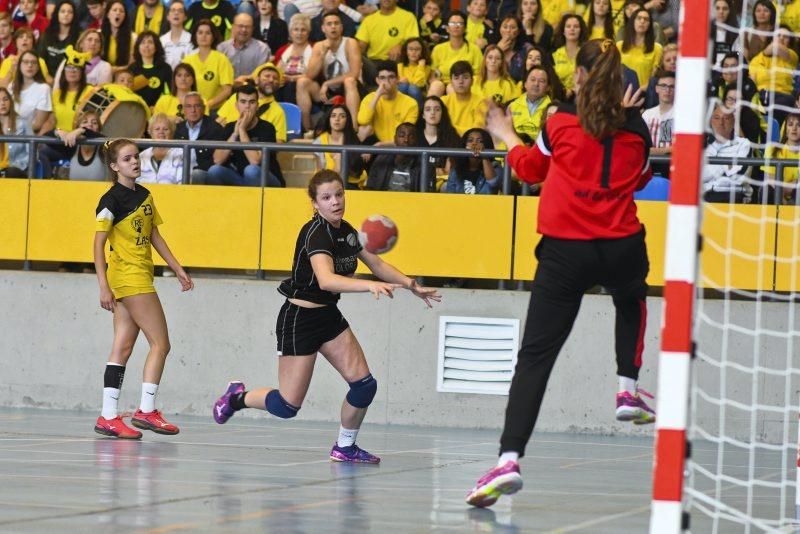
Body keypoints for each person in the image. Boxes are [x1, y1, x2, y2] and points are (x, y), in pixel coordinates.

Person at [465, 39, 655, 508]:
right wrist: (628, 118)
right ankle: (626, 388)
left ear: (581, 76)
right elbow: (641, 178)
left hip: (566, 251)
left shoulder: (559, 121)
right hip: (621, 244)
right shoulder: (638, 132)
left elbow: (531, 170)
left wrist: (506, 133)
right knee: (631, 296)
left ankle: (509, 459)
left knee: (535, 359)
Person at [212, 168, 441, 463]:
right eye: (327, 197)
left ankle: (345, 447)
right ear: (315, 203)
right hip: (300, 319)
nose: (335, 202)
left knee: (364, 385)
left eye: (339, 194)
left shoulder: (347, 232)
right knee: (287, 406)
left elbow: (377, 264)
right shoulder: (315, 233)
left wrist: (412, 285)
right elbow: (326, 280)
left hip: (328, 317)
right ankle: (236, 397)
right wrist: (369, 286)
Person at [93, 137, 194, 440]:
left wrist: (177, 268)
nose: (134, 162)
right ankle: (146, 410)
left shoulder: (146, 195)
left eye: (136, 157)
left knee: (122, 348)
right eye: (126, 159)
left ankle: (108, 416)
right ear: (114, 166)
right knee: (161, 344)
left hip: (137, 276)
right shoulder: (111, 200)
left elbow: (155, 236)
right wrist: (103, 285)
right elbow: (97, 244)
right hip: (129, 277)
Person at [296, 10, 362, 132]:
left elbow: (355, 73)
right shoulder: (318, 46)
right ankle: (307, 129)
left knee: (350, 81)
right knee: (302, 82)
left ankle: (354, 127)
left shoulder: (350, 43)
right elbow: (310, 75)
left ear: (341, 27)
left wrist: (327, 83)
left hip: (350, 89)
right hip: (328, 92)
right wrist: (322, 56)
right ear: (323, 28)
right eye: (329, 24)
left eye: (336, 23)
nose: (333, 27)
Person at [208, 83, 283, 186]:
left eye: (251, 102)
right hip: (240, 178)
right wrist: (235, 134)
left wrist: (242, 130)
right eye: (243, 102)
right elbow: (217, 160)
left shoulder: (267, 128)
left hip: (267, 180)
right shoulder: (229, 127)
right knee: (214, 171)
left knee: (251, 170)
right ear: (236, 105)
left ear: (257, 106)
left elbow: (255, 161)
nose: (247, 106)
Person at [216, 62, 287, 142]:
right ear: (256, 80)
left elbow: (278, 144)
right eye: (267, 76)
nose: (271, 80)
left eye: (275, 78)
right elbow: (219, 123)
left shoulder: (278, 111)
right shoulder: (235, 97)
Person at [357, 60, 418, 143]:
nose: (386, 82)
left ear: (398, 79)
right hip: (375, 144)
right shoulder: (370, 98)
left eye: (391, 77)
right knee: (364, 129)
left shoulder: (410, 103)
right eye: (382, 78)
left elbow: (405, 136)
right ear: (377, 81)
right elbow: (363, 121)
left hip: (398, 147)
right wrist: (377, 95)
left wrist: (382, 145)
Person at [703, 103, 752, 203]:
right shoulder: (703, 145)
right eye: (716, 118)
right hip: (705, 195)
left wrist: (711, 175)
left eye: (726, 118)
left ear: (733, 121)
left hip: (733, 195)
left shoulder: (743, 144)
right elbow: (697, 176)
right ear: (711, 121)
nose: (721, 122)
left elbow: (740, 178)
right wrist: (726, 166)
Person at [174, 91, 225, 184]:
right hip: (179, 170)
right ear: (184, 110)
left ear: (204, 108)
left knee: (196, 174)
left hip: (204, 172)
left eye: (197, 106)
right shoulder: (177, 129)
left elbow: (216, 161)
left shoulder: (215, 128)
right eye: (189, 106)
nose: (193, 110)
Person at [429, 11, 484, 97]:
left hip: (465, 86)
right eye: (452, 23)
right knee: (436, 86)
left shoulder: (474, 49)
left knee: (452, 88)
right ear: (447, 28)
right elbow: (432, 73)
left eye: (460, 23)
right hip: (442, 83)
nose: (456, 26)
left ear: (465, 28)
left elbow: (479, 74)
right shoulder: (438, 49)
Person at [183, 19, 234, 110]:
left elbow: (227, 90)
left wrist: (207, 105)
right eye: (200, 33)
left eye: (208, 33)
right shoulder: (187, 61)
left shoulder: (222, 59)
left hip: (216, 110)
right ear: (195, 36)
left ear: (213, 37)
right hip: (192, 110)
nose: (203, 36)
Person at [313, 104, 365, 188]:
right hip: (326, 184)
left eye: (342, 116)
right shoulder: (319, 141)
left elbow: (356, 172)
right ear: (329, 120)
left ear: (347, 120)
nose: (337, 119)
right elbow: (319, 170)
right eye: (333, 116)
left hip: (351, 185)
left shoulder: (353, 140)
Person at [366, 122, 428, 191]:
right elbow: (370, 188)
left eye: (411, 137)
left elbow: (429, 194)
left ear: (416, 141)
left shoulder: (424, 165)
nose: (406, 140)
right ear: (395, 139)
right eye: (402, 136)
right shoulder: (381, 160)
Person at [416, 94, 459, 189]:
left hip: (443, 183)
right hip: (417, 180)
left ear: (442, 113)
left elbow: (449, 170)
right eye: (428, 109)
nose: (432, 113)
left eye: (437, 109)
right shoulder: (414, 136)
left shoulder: (451, 136)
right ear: (422, 115)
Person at [445, 127, 501, 194]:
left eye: (479, 141)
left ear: (486, 144)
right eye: (470, 140)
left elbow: (493, 183)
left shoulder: (495, 166)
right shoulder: (456, 170)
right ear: (464, 145)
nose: (474, 143)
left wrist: (484, 156)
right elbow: (450, 194)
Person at [616, 8, 662, 88]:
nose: (642, 21)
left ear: (650, 25)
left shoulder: (657, 48)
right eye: (639, 18)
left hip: (644, 93)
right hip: (620, 91)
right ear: (632, 22)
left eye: (646, 19)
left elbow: (654, 77)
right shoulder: (619, 46)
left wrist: (641, 90)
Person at [10, 51, 53, 135]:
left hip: (27, 137)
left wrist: (15, 129)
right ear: (19, 66)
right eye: (26, 62)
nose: (30, 65)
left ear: (38, 67)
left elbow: (38, 124)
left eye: (33, 62)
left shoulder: (44, 88)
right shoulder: (11, 85)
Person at [273, 13, 313, 103]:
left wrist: (291, 79)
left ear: (308, 33)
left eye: (303, 30)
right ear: (290, 32)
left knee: (290, 86)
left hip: (305, 87)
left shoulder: (314, 49)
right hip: (283, 86)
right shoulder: (282, 50)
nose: (299, 33)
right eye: (296, 29)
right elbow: (276, 72)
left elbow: (312, 75)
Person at [762, 112, 800, 204]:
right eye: (790, 124)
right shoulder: (772, 149)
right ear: (785, 129)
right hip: (776, 195)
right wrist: (781, 199)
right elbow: (770, 180)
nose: (794, 129)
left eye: (799, 125)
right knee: (767, 190)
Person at [218, 13, 270, 79]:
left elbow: (262, 74)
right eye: (240, 26)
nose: (244, 30)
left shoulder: (262, 49)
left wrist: (245, 79)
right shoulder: (222, 48)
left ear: (252, 29)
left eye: (248, 27)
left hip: (252, 87)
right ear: (233, 27)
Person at [641, 70, 673, 176]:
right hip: (648, 165)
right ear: (656, 89)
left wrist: (654, 151)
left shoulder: (682, 116)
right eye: (663, 86)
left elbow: (681, 148)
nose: (667, 90)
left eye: (672, 87)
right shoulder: (647, 114)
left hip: (672, 166)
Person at [508, 65, 552, 143]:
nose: (536, 84)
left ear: (548, 87)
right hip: (513, 148)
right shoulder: (512, 106)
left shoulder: (552, 109)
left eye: (541, 81)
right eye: (532, 79)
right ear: (525, 84)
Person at [441, 60, 486, 136]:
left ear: (472, 81)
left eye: (465, 77)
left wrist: (451, 129)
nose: (461, 81)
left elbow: (477, 131)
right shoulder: (443, 101)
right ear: (451, 82)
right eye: (456, 78)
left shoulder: (481, 102)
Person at [130, 31, 173, 108]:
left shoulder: (165, 68)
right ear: (138, 47)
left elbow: (169, 93)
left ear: (156, 47)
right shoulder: (132, 68)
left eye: (150, 42)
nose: (146, 45)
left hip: (159, 112)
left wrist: (158, 107)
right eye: (143, 43)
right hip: (135, 111)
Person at [137, 113, 184, 184]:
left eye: (165, 129)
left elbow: (182, 185)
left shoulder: (181, 154)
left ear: (172, 132)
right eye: (157, 129)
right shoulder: (142, 156)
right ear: (150, 132)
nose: (161, 132)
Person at [36, 0, 79, 76]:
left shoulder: (78, 37)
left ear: (74, 15)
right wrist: (47, 78)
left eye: (70, 12)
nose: (66, 14)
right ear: (57, 14)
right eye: (62, 11)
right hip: (45, 79)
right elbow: (40, 59)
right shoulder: (46, 35)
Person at [551, 14, 587, 96]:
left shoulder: (586, 54)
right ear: (563, 31)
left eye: (576, 26)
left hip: (581, 96)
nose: (572, 29)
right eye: (568, 26)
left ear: (581, 30)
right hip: (560, 96)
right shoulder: (554, 55)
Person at [0, 85, 31, 177]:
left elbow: (32, 153)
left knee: (10, 172)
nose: (2, 103)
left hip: (17, 170)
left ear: (10, 102)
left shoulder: (23, 123)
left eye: (5, 99)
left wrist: (16, 166)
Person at [493, 15, 533, 82]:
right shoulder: (492, 48)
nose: (508, 30)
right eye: (505, 27)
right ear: (500, 29)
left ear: (518, 31)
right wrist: (498, 50)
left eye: (513, 27)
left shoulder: (527, 48)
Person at [68, 110, 106, 181]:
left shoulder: (102, 146)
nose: (90, 125)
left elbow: (105, 138)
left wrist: (83, 130)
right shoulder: (72, 145)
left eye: (94, 123)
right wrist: (57, 131)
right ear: (77, 129)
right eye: (85, 122)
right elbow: (47, 135)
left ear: (99, 129)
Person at [160, 0, 195, 70]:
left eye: (180, 11)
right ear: (168, 17)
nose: (176, 13)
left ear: (185, 17)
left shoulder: (192, 40)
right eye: (173, 10)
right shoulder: (161, 40)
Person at [101, 0, 134, 70]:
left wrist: (114, 70)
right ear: (107, 14)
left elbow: (132, 64)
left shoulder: (133, 37)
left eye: (121, 11)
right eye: (114, 10)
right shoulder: (99, 35)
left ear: (125, 16)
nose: (118, 13)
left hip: (124, 74)